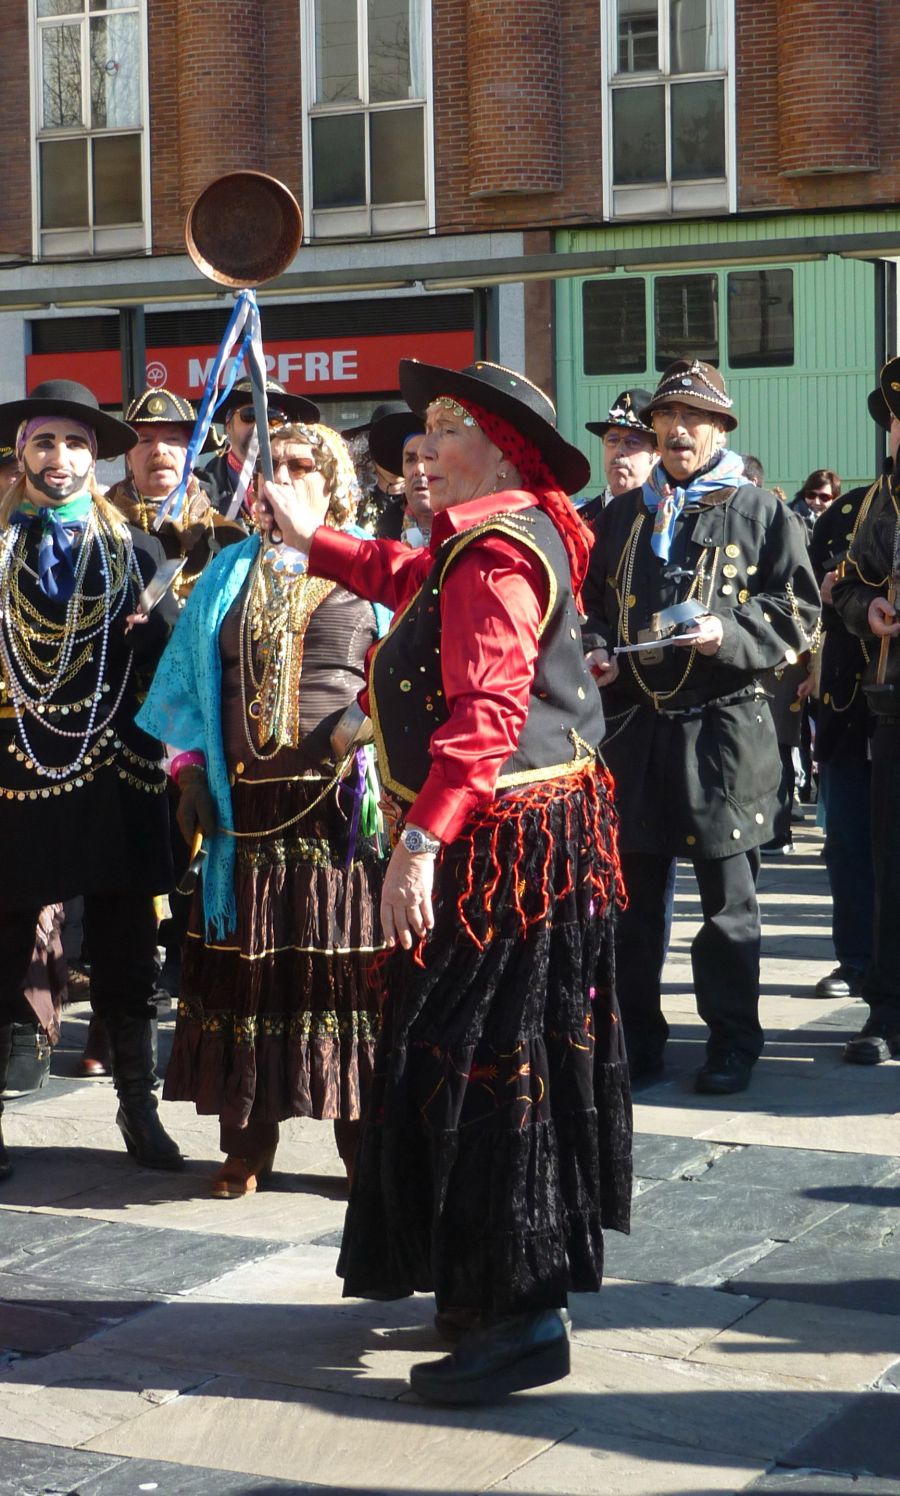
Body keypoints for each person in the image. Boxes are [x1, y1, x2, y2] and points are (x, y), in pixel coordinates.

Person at [259, 357, 631, 1407]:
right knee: (475, 1055)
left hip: (503, 852)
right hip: (512, 839)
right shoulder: (476, 541)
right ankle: (486, 1287)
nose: (424, 444)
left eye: (447, 425)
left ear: (502, 448)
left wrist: (418, 846)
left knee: (488, 1062)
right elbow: (398, 575)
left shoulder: (500, 551)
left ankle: (521, 1313)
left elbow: (487, 720)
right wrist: (308, 535)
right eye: (425, 424)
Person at [137, 423, 386, 1197]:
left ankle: (362, 1143)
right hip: (241, 809)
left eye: (300, 465)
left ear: (334, 481)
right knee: (245, 972)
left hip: (338, 812)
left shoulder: (370, 572)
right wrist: (187, 779)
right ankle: (247, 1142)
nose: (278, 478)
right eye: (266, 466)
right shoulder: (225, 574)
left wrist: (366, 724)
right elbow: (181, 689)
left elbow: (412, 672)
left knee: (341, 979)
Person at [582, 357, 820, 1095]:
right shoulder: (621, 516)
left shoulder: (760, 512)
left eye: (694, 419)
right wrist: (595, 652)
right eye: (667, 418)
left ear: (721, 429)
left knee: (728, 909)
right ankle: (638, 1044)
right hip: (640, 731)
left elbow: (800, 612)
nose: (678, 429)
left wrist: (729, 631)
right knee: (632, 906)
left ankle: (731, 1045)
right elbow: (590, 611)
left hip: (725, 732)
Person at [0, 379, 182, 1177]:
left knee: (126, 944)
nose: (61, 459)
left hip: (114, 771)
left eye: (76, 444)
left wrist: (155, 634)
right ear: (21, 454)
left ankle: (139, 1108)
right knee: (6, 946)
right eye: (46, 442)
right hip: (18, 773)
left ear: (95, 455)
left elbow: (174, 671)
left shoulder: (138, 549)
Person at [831, 355, 900, 1061]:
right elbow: (849, 586)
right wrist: (868, 609)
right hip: (894, 707)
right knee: (891, 863)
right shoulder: (880, 499)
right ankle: (887, 1009)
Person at [107, 387, 245, 603]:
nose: (159, 450)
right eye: (145, 440)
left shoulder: (228, 537)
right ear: (128, 458)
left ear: (192, 454)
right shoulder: (99, 529)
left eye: (172, 439)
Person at [199, 378, 320, 520]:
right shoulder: (199, 488)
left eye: (274, 417)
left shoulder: (309, 482)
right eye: (249, 415)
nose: (261, 425)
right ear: (228, 425)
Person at [581, 388, 657, 526]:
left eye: (632, 442)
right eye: (612, 440)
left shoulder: (666, 518)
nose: (619, 450)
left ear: (657, 454)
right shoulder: (578, 519)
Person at [367, 409, 431, 545]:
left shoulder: (470, 530)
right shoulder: (389, 525)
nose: (419, 470)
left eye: (429, 458)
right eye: (411, 459)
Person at [791, 469, 841, 535]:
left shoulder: (842, 522)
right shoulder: (790, 518)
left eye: (824, 497)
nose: (816, 502)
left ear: (834, 498)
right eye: (811, 495)